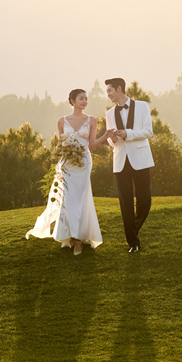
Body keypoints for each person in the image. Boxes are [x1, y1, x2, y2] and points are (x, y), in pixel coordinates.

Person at [26, 89, 112, 255]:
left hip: (84, 162)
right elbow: (61, 144)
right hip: (67, 163)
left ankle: (79, 239)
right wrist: (66, 152)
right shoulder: (61, 121)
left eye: (86, 99)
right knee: (69, 199)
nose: (85, 101)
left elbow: (91, 144)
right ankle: (71, 236)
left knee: (81, 198)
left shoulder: (92, 120)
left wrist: (106, 136)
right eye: (81, 98)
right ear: (72, 100)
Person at [104, 77, 154, 253]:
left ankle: (133, 230)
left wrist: (128, 133)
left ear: (119, 89)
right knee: (125, 203)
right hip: (120, 162)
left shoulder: (142, 106)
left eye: (109, 90)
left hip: (141, 159)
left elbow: (149, 131)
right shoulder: (109, 114)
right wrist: (113, 139)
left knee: (145, 200)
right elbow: (112, 142)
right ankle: (133, 242)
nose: (108, 94)